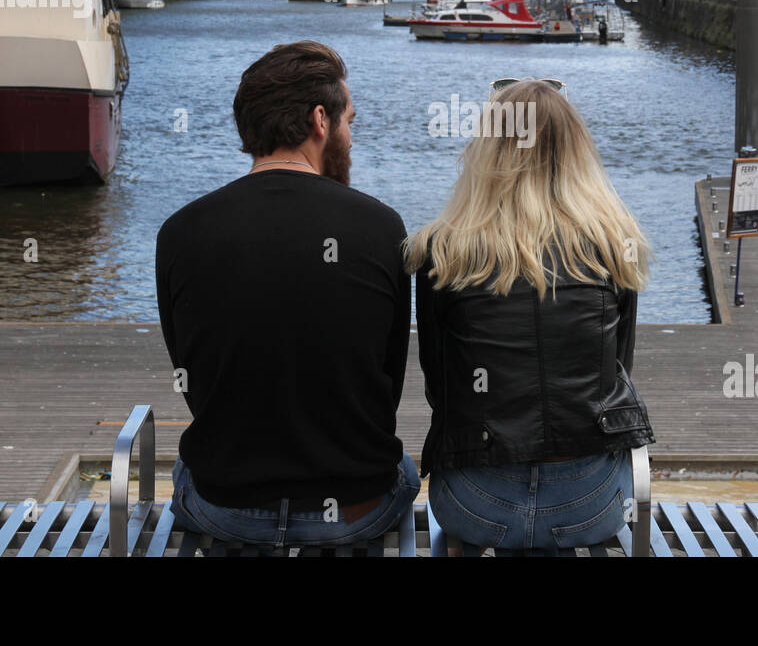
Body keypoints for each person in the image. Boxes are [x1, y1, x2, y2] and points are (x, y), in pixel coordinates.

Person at [156, 41, 418, 545]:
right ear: (321, 120)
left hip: (225, 504)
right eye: (348, 122)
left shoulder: (180, 232)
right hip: (352, 506)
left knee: (187, 469)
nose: (349, 135)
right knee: (402, 466)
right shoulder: (381, 227)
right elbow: (385, 384)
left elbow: (190, 373)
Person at [405, 77, 655, 551]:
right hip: (592, 502)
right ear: (575, 151)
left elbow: (440, 385)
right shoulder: (612, 244)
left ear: (487, 152)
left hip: (475, 502)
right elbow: (618, 370)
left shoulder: (445, 249)